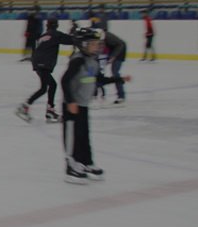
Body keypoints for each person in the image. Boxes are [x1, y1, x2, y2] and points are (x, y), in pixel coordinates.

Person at [61, 27, 131, 184]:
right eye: (93, 44)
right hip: (72, 105)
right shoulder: (77, 60)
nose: (97, 47)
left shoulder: (93, 60)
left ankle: (86, 162)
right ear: (83, 44)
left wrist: (120, 79)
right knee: (72, 137)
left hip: (84, 104)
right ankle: (71, 166)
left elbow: (100, 79)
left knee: (84, 135)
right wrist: (70, 101)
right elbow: (64, 81)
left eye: (98, 44)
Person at [16, 18, 74, 123]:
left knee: (51, 85)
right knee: (44, 88)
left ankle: (49, 111)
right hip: (44, 64)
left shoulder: (43, 36)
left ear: (47, 25)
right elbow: (70, 40)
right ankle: (26, 106)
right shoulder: (55, 34)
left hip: (37, 63)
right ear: (56, 25)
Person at [103, 30, 127, 106]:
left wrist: (113, 57)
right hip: (114, 51)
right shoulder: (101, 37)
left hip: (120, 52)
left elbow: (120, 45)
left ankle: (121, 95)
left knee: (115, 72)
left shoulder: (108, 37)